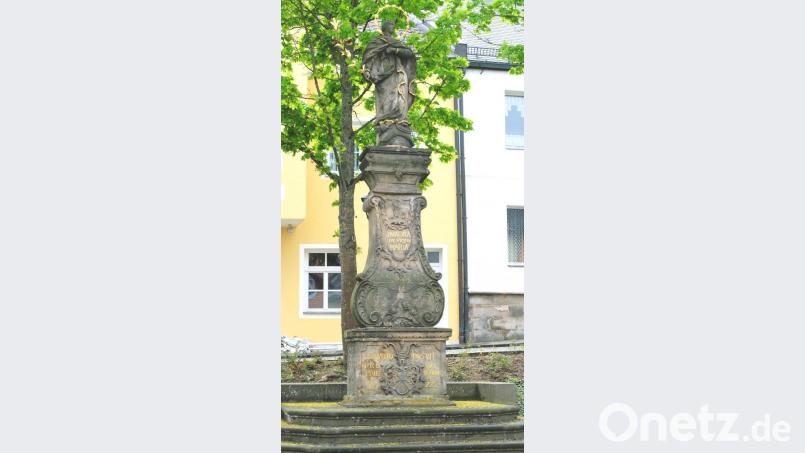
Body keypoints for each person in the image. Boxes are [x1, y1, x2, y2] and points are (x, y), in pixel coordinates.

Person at [362, 19, 416, 147]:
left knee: (400, 99)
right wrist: (367, 71)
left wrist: (394, 50)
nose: (392, 27)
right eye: (390, 24)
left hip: (398, 74)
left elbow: (409, 53)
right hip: (383, 77)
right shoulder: (377, 42)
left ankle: (400, 122)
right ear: (384, 27)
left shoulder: (396, 43)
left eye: (393, 24)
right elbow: (369, 56)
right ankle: (386, 123)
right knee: (387, 101)